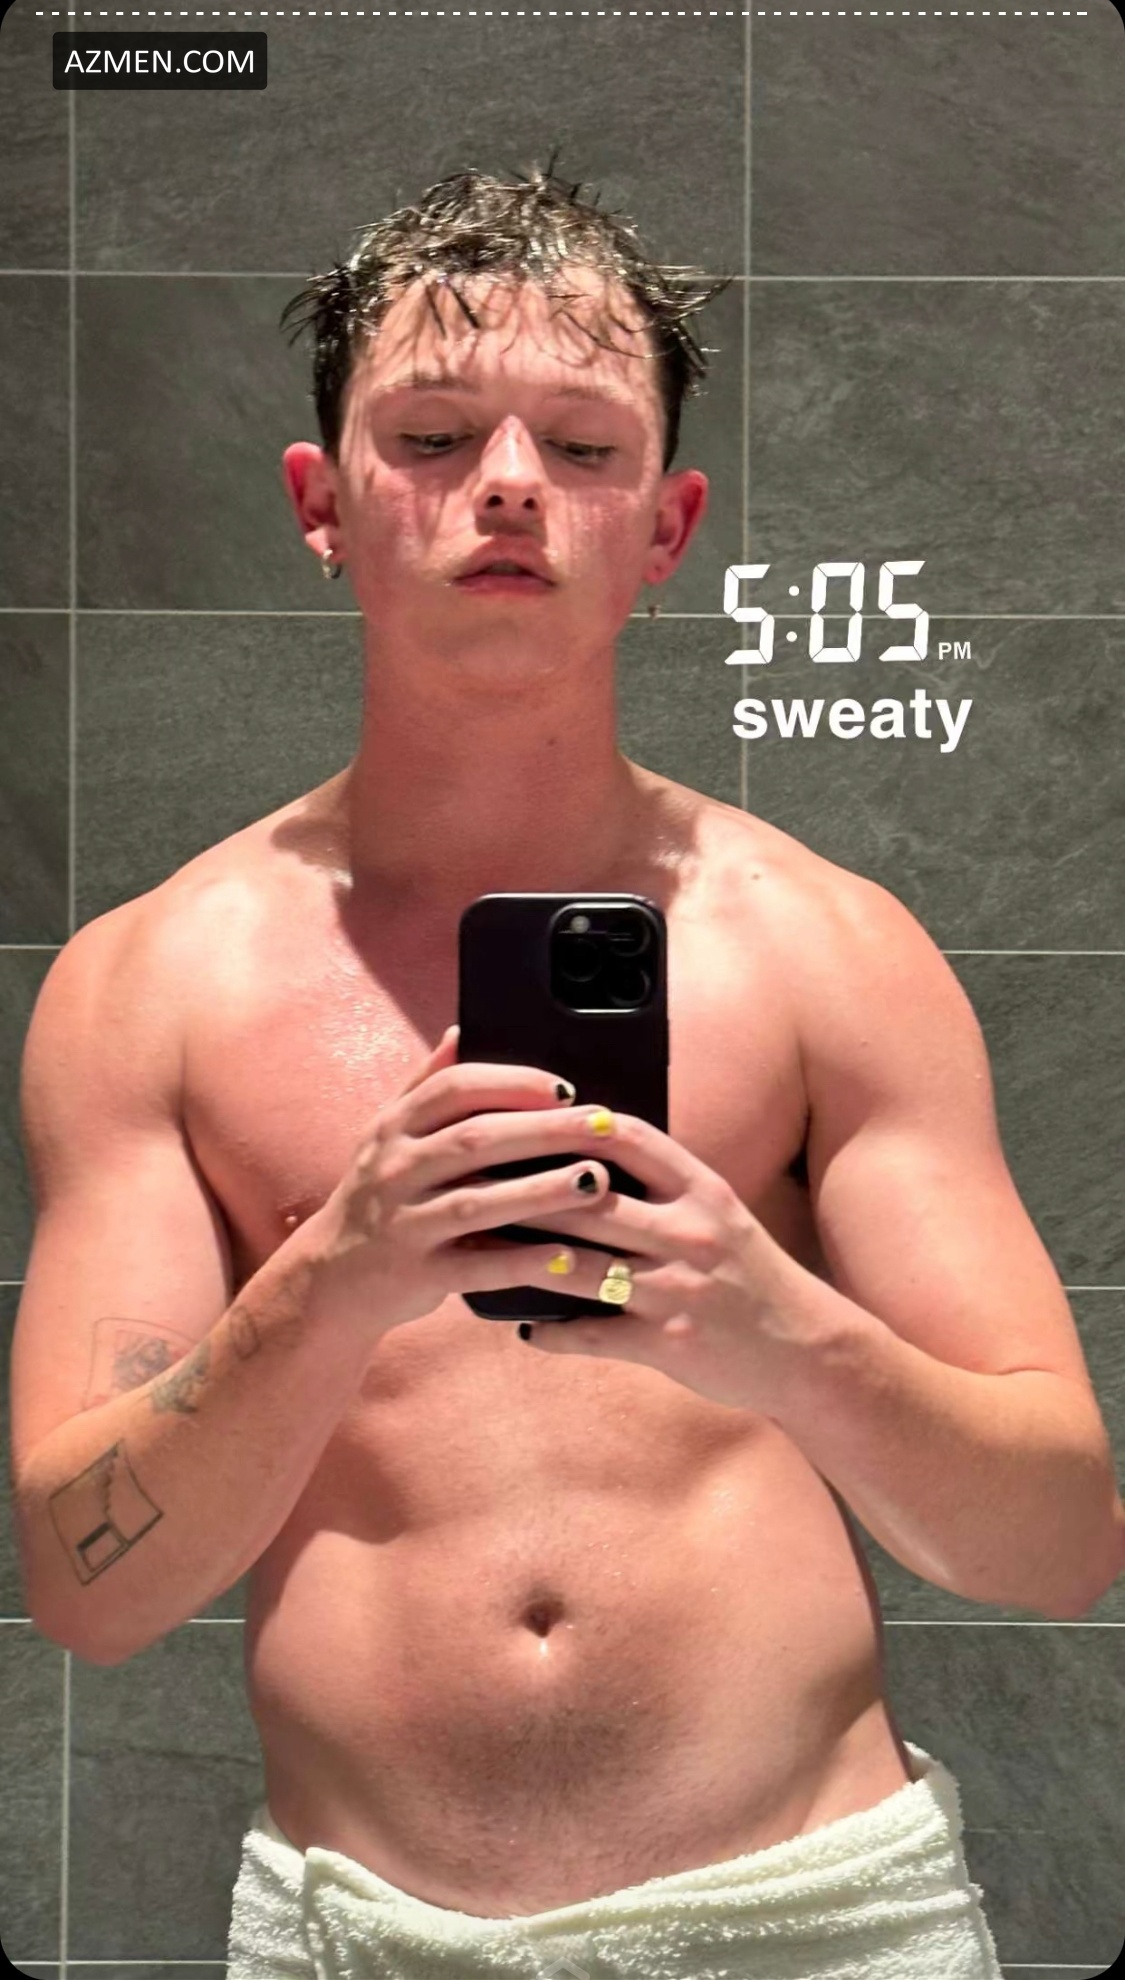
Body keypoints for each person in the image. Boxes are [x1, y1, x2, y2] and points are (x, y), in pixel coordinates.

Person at [9, 160, 1124, 1980]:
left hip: (819, 1927)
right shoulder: (149, 986)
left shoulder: (827, 952)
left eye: (584, 445)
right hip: (356, 1938)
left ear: (667, 526)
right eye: (433, 436)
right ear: (321, 502)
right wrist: (335, 1275)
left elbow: (1062, 1545)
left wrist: (774, 1330)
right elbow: (88, 1586)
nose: (511, 481)